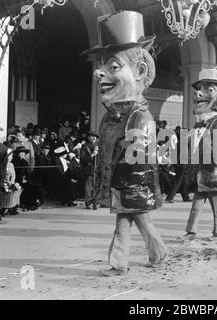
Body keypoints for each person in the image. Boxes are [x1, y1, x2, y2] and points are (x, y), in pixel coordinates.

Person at [84, 10, 167, 275]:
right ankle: (155, 253)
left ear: (140, 71)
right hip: (125, 187)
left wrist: (122, 187)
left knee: (130, 221)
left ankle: (121, 262)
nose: (99, 72)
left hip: (131, 186)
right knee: (139, 222)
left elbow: (137, 159)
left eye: (113, 67)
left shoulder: (139, 116)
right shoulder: (114, 116)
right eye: (101, 65)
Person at [182, 68, 217, 241]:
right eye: (199, 89)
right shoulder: (201, 122)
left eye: (209, 90)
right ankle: (191, 231)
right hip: (202, 172)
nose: (199, 93)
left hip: (213, 173)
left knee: (216, 206)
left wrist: (210, 165)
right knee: (196, 204)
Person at [80, 131, 99, 209]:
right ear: (88, 137)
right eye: (92, 136)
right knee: (88, 186)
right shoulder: (85, 146)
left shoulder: (99, 146)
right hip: (89, 169)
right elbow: (82, 159)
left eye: (95, 137)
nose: (94, 138)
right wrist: (92, 155)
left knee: (97, 186)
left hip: (97, 168)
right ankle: (88, 202)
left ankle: (96, 201)